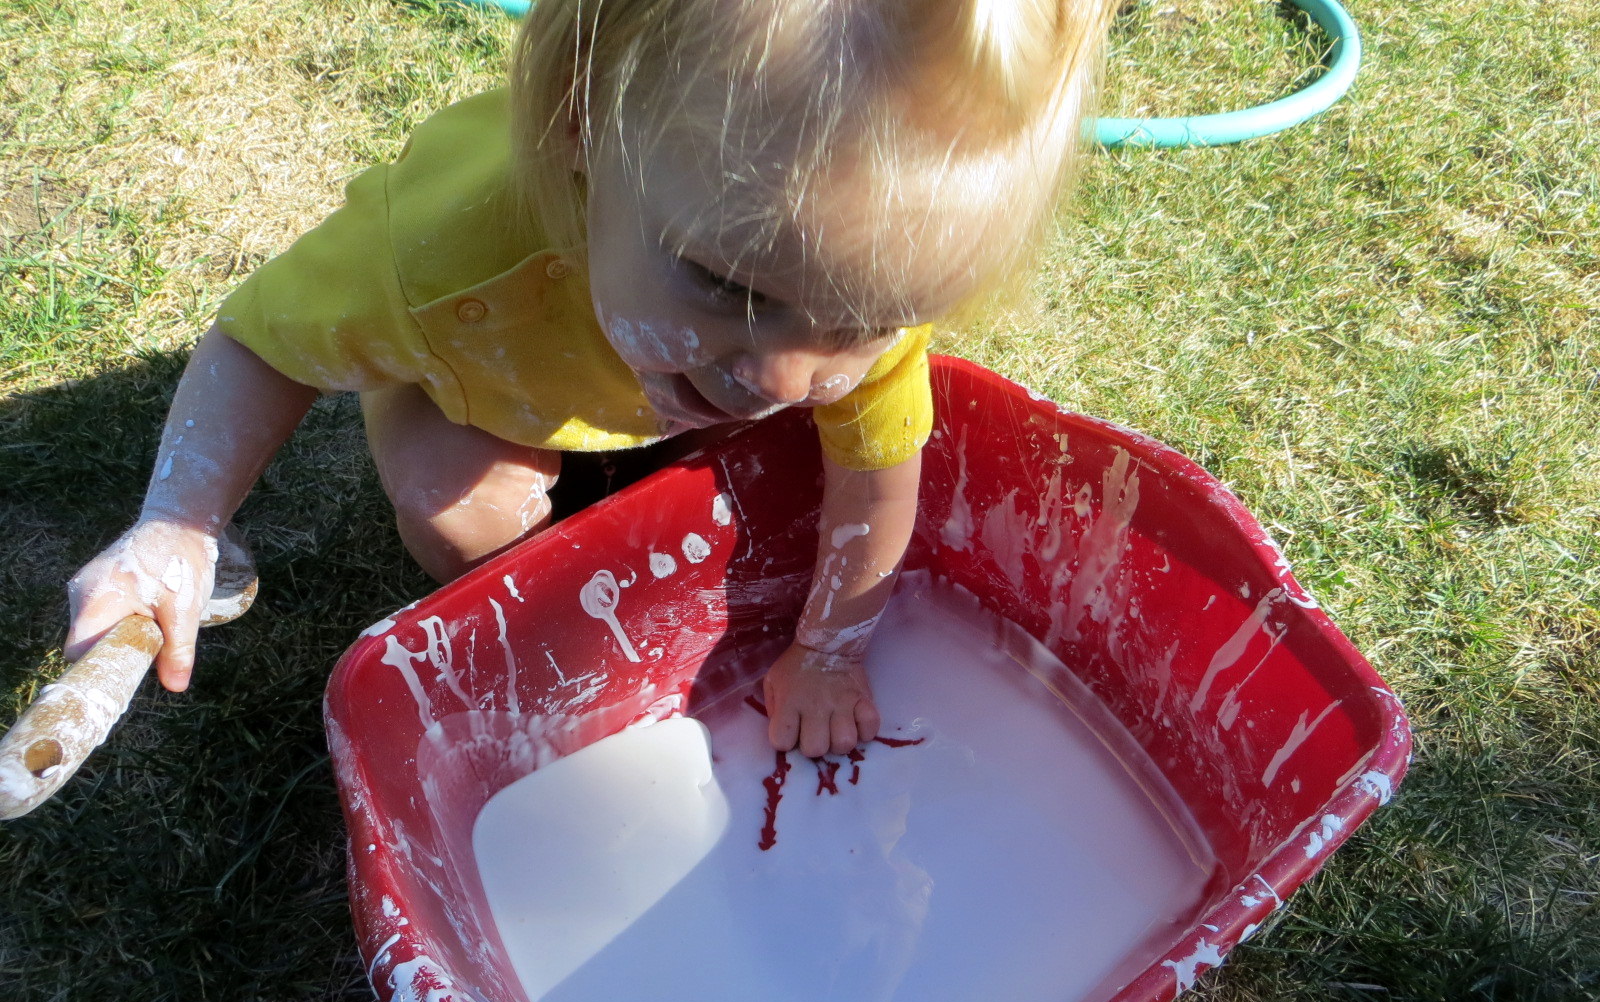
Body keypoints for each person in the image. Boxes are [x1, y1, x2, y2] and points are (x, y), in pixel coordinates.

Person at [63, 0, 1115, 759]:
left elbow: (880, 474)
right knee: (463, 513)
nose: (790, 373)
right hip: (490, 377)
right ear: (581, 130)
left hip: (626, 375)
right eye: (725, 285)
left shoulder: (826, 296)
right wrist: (181, 521)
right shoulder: (437, 264)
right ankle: (451, 441)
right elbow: (258, 343)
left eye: (871, 318)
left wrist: (831, 650)